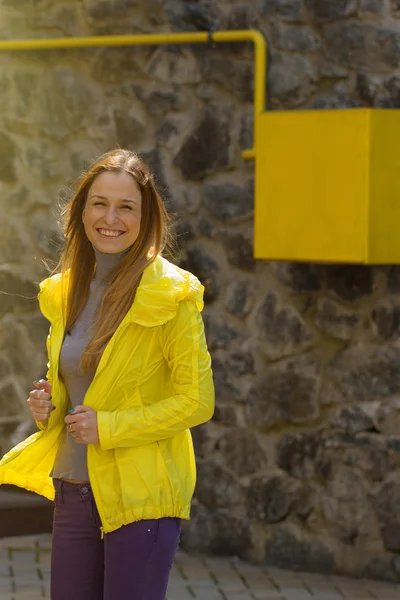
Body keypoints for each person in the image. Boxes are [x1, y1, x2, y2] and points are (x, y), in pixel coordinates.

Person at [0, 149, 215, 600]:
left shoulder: (170, 294)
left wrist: (109, 426)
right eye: (99, 203)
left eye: (126, 206)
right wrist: (49, 407)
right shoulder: (67, 290)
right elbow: (80, 383)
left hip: (143, 495)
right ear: (81, 211)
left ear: (146, 215)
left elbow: (197, 401)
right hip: (74, 487)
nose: (110, 217)